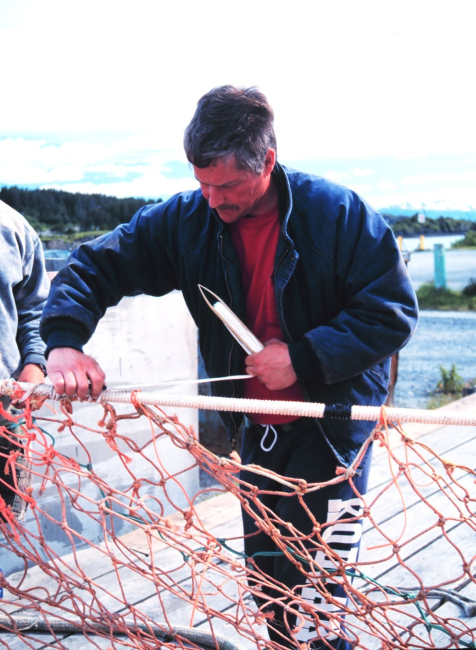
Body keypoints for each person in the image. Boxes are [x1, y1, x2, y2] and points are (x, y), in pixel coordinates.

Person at [40, 86, 418, 648]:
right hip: (255, 431)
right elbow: (95, 263)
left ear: (267, 161)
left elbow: (392, 312)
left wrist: (304, 357)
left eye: (227, 185)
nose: (212, 199)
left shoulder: (338, 214)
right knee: (268, 587)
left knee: (321, 600)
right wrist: (64, 342)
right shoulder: (187, 219)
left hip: (333, 431)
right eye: (201, 182)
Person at [0, 200, 49, 523]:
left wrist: (34, 363)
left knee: (5, 518)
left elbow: (34, 311)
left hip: (4, 412)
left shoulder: (13, 227)